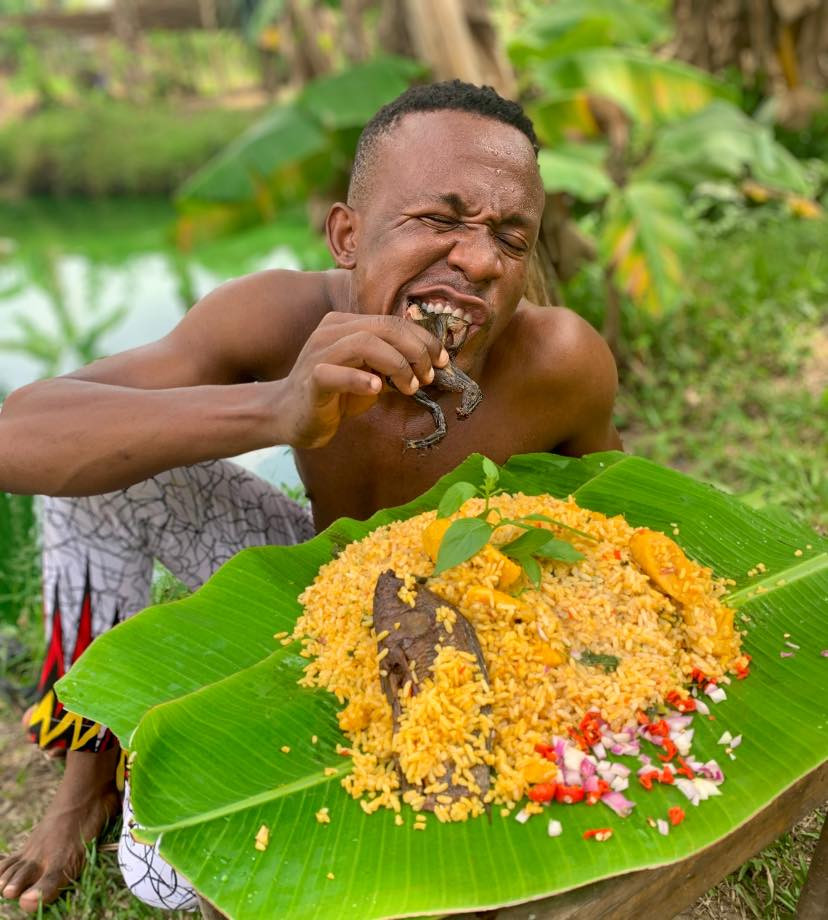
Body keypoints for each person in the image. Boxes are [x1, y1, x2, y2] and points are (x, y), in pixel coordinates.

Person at [0, 80, 621, 912]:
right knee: (93, 468)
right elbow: (22, 432)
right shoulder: (274, 316)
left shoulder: (559, 363)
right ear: (346, 235)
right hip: (303, 584)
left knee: (167, 880)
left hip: (454, 634)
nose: (478, 261)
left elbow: (618, 529)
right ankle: (89, 777)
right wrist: (274, 405)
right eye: (438, 221)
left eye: (511, 236)